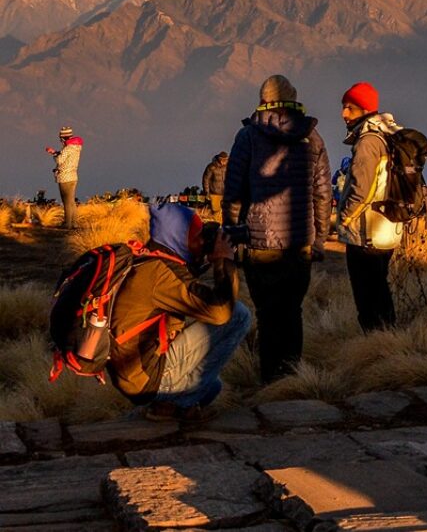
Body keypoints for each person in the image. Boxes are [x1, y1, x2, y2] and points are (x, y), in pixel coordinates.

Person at [223, 74, 331, 383]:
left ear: (262, 99)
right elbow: (323, 194)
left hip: (260, 244)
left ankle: (271, 380)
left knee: (268, 315)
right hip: (300, 243)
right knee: (292, 311)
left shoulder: (248, 137)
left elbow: (233, 193)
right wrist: (320, 238)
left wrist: (232, 234)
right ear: (293, 98)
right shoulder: (313, 137)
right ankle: (293, 376)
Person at [108, 202, 251, 422]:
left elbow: (189, 292)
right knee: (238, 315)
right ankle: (170, 404)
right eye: (197, 235)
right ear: (178, 237)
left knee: (212, 387)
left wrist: (208, 260)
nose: (202, 241)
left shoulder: (150, 260)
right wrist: (224, 262)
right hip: (147, 377)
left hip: (136, 373)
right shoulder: (159, 273)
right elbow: (220, 311)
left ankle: (173, 402)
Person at [338, 81, 404, 331]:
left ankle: (375, 342)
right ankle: (388, 337)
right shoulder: (389, 135)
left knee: (367, 295)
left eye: (350, 108)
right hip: (387, 228)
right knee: (380, 287)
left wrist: (344, 219)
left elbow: (361, 189)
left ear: (365, 109)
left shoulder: (368, 141)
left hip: (366, 232)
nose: (344, 114)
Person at [45, 125, 82, 230]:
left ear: (63, 137)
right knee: (71, 201)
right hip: (73, 176)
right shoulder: (76, 147)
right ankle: (74, 223)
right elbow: (65, 158)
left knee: (67, 202)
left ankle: (67, 224)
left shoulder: (68, 148)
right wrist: (56, 152)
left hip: (65, 177)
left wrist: (54, 155)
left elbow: (59, 160)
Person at [201, 151, 229, 218]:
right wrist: (207, 192)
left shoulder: (229, 167)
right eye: (222, 160)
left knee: (227, 212)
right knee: (216, 212)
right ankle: (216, 226)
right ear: (219, 159)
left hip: (226, 193)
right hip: (214, 194)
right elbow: (206, 180)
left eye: (225, 160)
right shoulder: (211, 167)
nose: (224, 161)